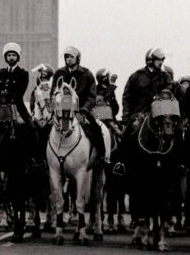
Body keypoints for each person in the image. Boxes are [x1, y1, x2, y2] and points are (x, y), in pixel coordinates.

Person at [113, 47, 172, 176]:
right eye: (158, 60)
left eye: (162, 60)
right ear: (150, 60)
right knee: (126, 134)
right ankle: (121, 163)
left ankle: (178, 161)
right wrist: (126, 117)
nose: (161, 62)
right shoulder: (136, 76)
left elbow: (169, 91)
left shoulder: (165, 77)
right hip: (138, 114)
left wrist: (163, 96)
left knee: (175, 130)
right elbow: (127, 97)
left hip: (159, 113)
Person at [0, 42, 39, 164]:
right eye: (9, 55)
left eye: (14, 55)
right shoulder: (1, 73)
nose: (11, 57)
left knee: (32, 128)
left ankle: (33, 159)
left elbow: (19, 94)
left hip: (17, 107)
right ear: (5, 57)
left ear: (17, 57)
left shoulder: (23, 74)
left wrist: (8, 101)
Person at [51, 46, 105, 166]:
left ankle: (101, 157)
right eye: (67, 57)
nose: (69, 59)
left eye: (71, 57)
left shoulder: (87, 74)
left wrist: (84, 109)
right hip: (60, 111)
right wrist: (54, 108)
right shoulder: (59, 73)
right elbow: (53, 92)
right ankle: (41, 160)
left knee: (96, 129)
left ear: (77, 58)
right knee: (45, 130)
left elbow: (92, 96)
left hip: (81, 111)